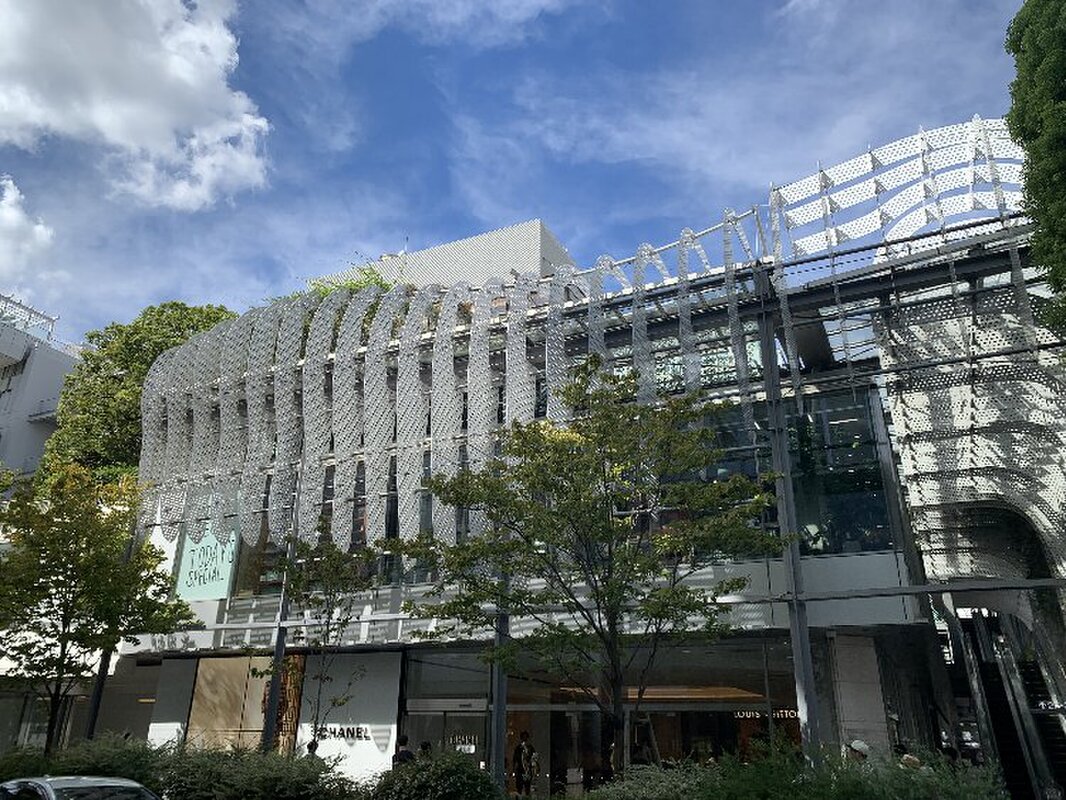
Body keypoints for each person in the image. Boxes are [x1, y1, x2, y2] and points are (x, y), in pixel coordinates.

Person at [512, 731, 538, 796]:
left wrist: (534, 769)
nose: (524, 739)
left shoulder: (530, 748)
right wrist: (514, 770)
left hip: (528, 770)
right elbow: (515, 760)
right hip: (520, 770)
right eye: (523, 737)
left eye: (526, 737)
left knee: (527, 788)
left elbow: (534, 759)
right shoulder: (518, 748)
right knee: (519, 788)